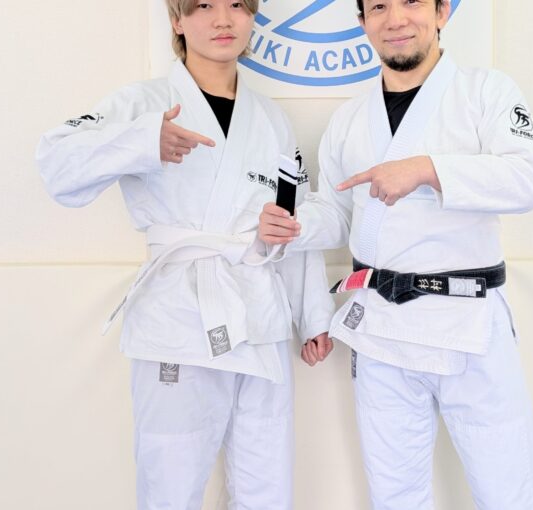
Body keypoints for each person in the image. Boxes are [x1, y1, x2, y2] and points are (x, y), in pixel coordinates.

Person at [36, 1, 334, 508]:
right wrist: (141, 140)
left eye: (237, 5)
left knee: (268, 488)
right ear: (177, 20)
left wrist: (312, 315)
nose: (222, 20)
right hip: (177, 321)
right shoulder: (145, 102)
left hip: (260, 319)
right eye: (203, 6)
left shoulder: (271, 120)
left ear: (253, 16)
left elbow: (291, 217)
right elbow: (55, 163)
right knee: (170, 487)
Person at [259, 1, 533, 508]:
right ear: (362, 22)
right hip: (381, 327)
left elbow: (525, 181)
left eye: (411, 1)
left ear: (441, 11)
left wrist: (428, 169)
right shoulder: (350, 119)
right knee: (394, 494)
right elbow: (338, 213)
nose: (395, 19)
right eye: (378, 7)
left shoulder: (486, 92)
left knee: (508, 488)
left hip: (468, 322)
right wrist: (295, 227)